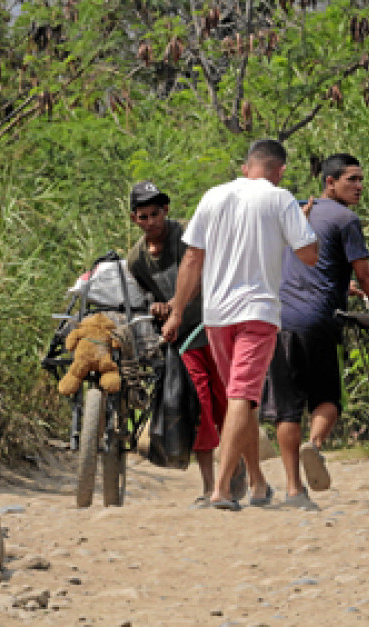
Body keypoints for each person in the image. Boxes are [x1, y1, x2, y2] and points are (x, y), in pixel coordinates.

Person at [162, 139, 319, 510]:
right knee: (242, 397)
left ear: (247, 166)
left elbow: (191, 261)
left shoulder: (213, 196)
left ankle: (258, 482)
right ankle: (220, 489)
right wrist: (301, 222)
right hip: (258, 312)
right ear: (279, 170)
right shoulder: (280, 199)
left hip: (216, 315)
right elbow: (309, 256)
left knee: (240, 399)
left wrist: (177, 312)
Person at [261, 152, 369, 507]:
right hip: (317, 320)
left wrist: (339, 284)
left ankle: (293, 489)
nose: (360, 186)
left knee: (287, 409)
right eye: (352, 179)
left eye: (362, 179)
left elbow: (310, 263)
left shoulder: (296, 211)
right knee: (328, 399)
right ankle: (315, 445)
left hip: (278, 319)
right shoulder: (346, 220)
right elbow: (364, 273)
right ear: (329, 182)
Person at [125, 181, 246, 505]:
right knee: (200, 408)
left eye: (156, 213)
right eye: (144, 216)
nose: (151, 221)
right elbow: (146, 296)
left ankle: (240, 471)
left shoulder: (188, 235)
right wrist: (158, 307)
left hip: (215, 326)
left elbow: (206, 273)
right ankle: (210, 486)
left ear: (165, 210)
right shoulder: (136, 259)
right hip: (183, 339)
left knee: (228, 404)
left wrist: (176, 304)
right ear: (135, 218)